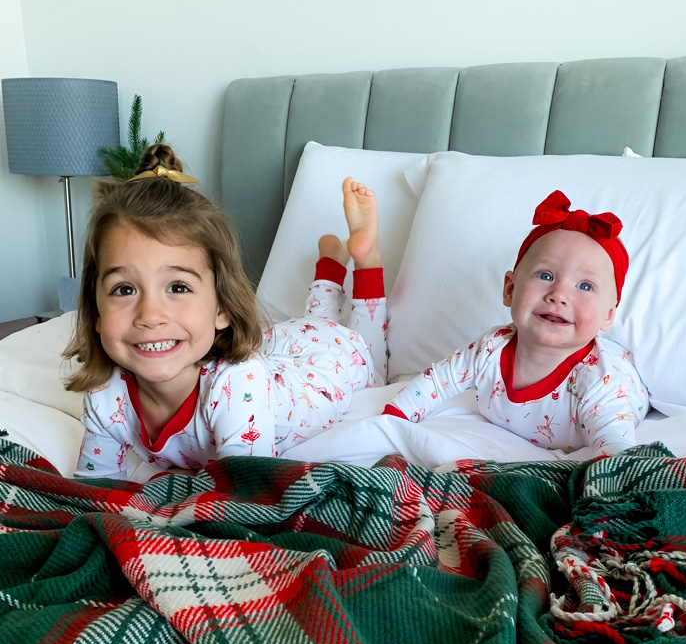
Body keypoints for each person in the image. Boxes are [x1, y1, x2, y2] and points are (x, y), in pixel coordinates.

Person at [64, 144, 386, 479]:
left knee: (365, 353)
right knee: (313, 322)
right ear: (96, 313)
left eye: (177, 287)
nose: (150, 314)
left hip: (326, 359)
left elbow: (242, 498)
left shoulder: (234, 389)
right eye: (124, 289)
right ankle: (330, 269)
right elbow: (95, 492)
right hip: (280, 346)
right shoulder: (105, 395)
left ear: (223, 308)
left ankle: (363, 262)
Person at [383, 190, 649, 456]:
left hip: (622, 379)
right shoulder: (490, 349)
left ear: (608, 316)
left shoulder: (601, 382)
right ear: (510, 289)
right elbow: (438, 381)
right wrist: (391, 421)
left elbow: (615, 449)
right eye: (545, 275)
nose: (559, 295)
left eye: (585, 285)